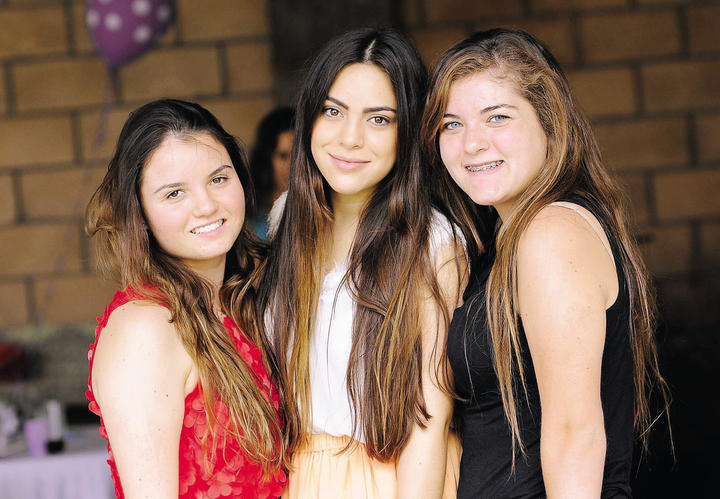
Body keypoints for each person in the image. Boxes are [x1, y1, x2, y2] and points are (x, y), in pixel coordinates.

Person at [422, 28, 672, 497]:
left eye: (497, 118)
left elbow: (575, 433)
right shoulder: (505, 238)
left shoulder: (551, 233)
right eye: (451, 124)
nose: (471, 143)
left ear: (549, 123)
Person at [253, 28, 465, 498]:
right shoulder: (288, 216)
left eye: (379, 119)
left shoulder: (433, 242)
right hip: (302, 478)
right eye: (333, 111)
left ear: (407, 130)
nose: (349, 138)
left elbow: (431, 416)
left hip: (395, 480)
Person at [84, 99, 291, 498]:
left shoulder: (243, 302)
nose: (206, 206)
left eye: (218, 179)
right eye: (174, 193)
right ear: (139, 213)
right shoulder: (145, 328)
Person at [248, 106, 295, 238]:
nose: (292, 165)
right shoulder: (250, 219)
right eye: (283, 156)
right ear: (267, 160)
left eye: (298, 155)